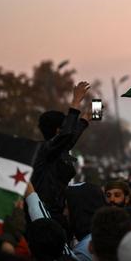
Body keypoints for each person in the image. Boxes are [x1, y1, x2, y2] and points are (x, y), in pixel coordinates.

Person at [32, 81, 91, 222]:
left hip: (57, 211)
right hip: (46, 215)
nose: (68, 130)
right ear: (58, 130)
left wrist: (85, 119)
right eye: (64, 126)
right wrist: (75, 102)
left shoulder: (56, 150)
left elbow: (68, 139)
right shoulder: (44, 151)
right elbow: (65, 137)